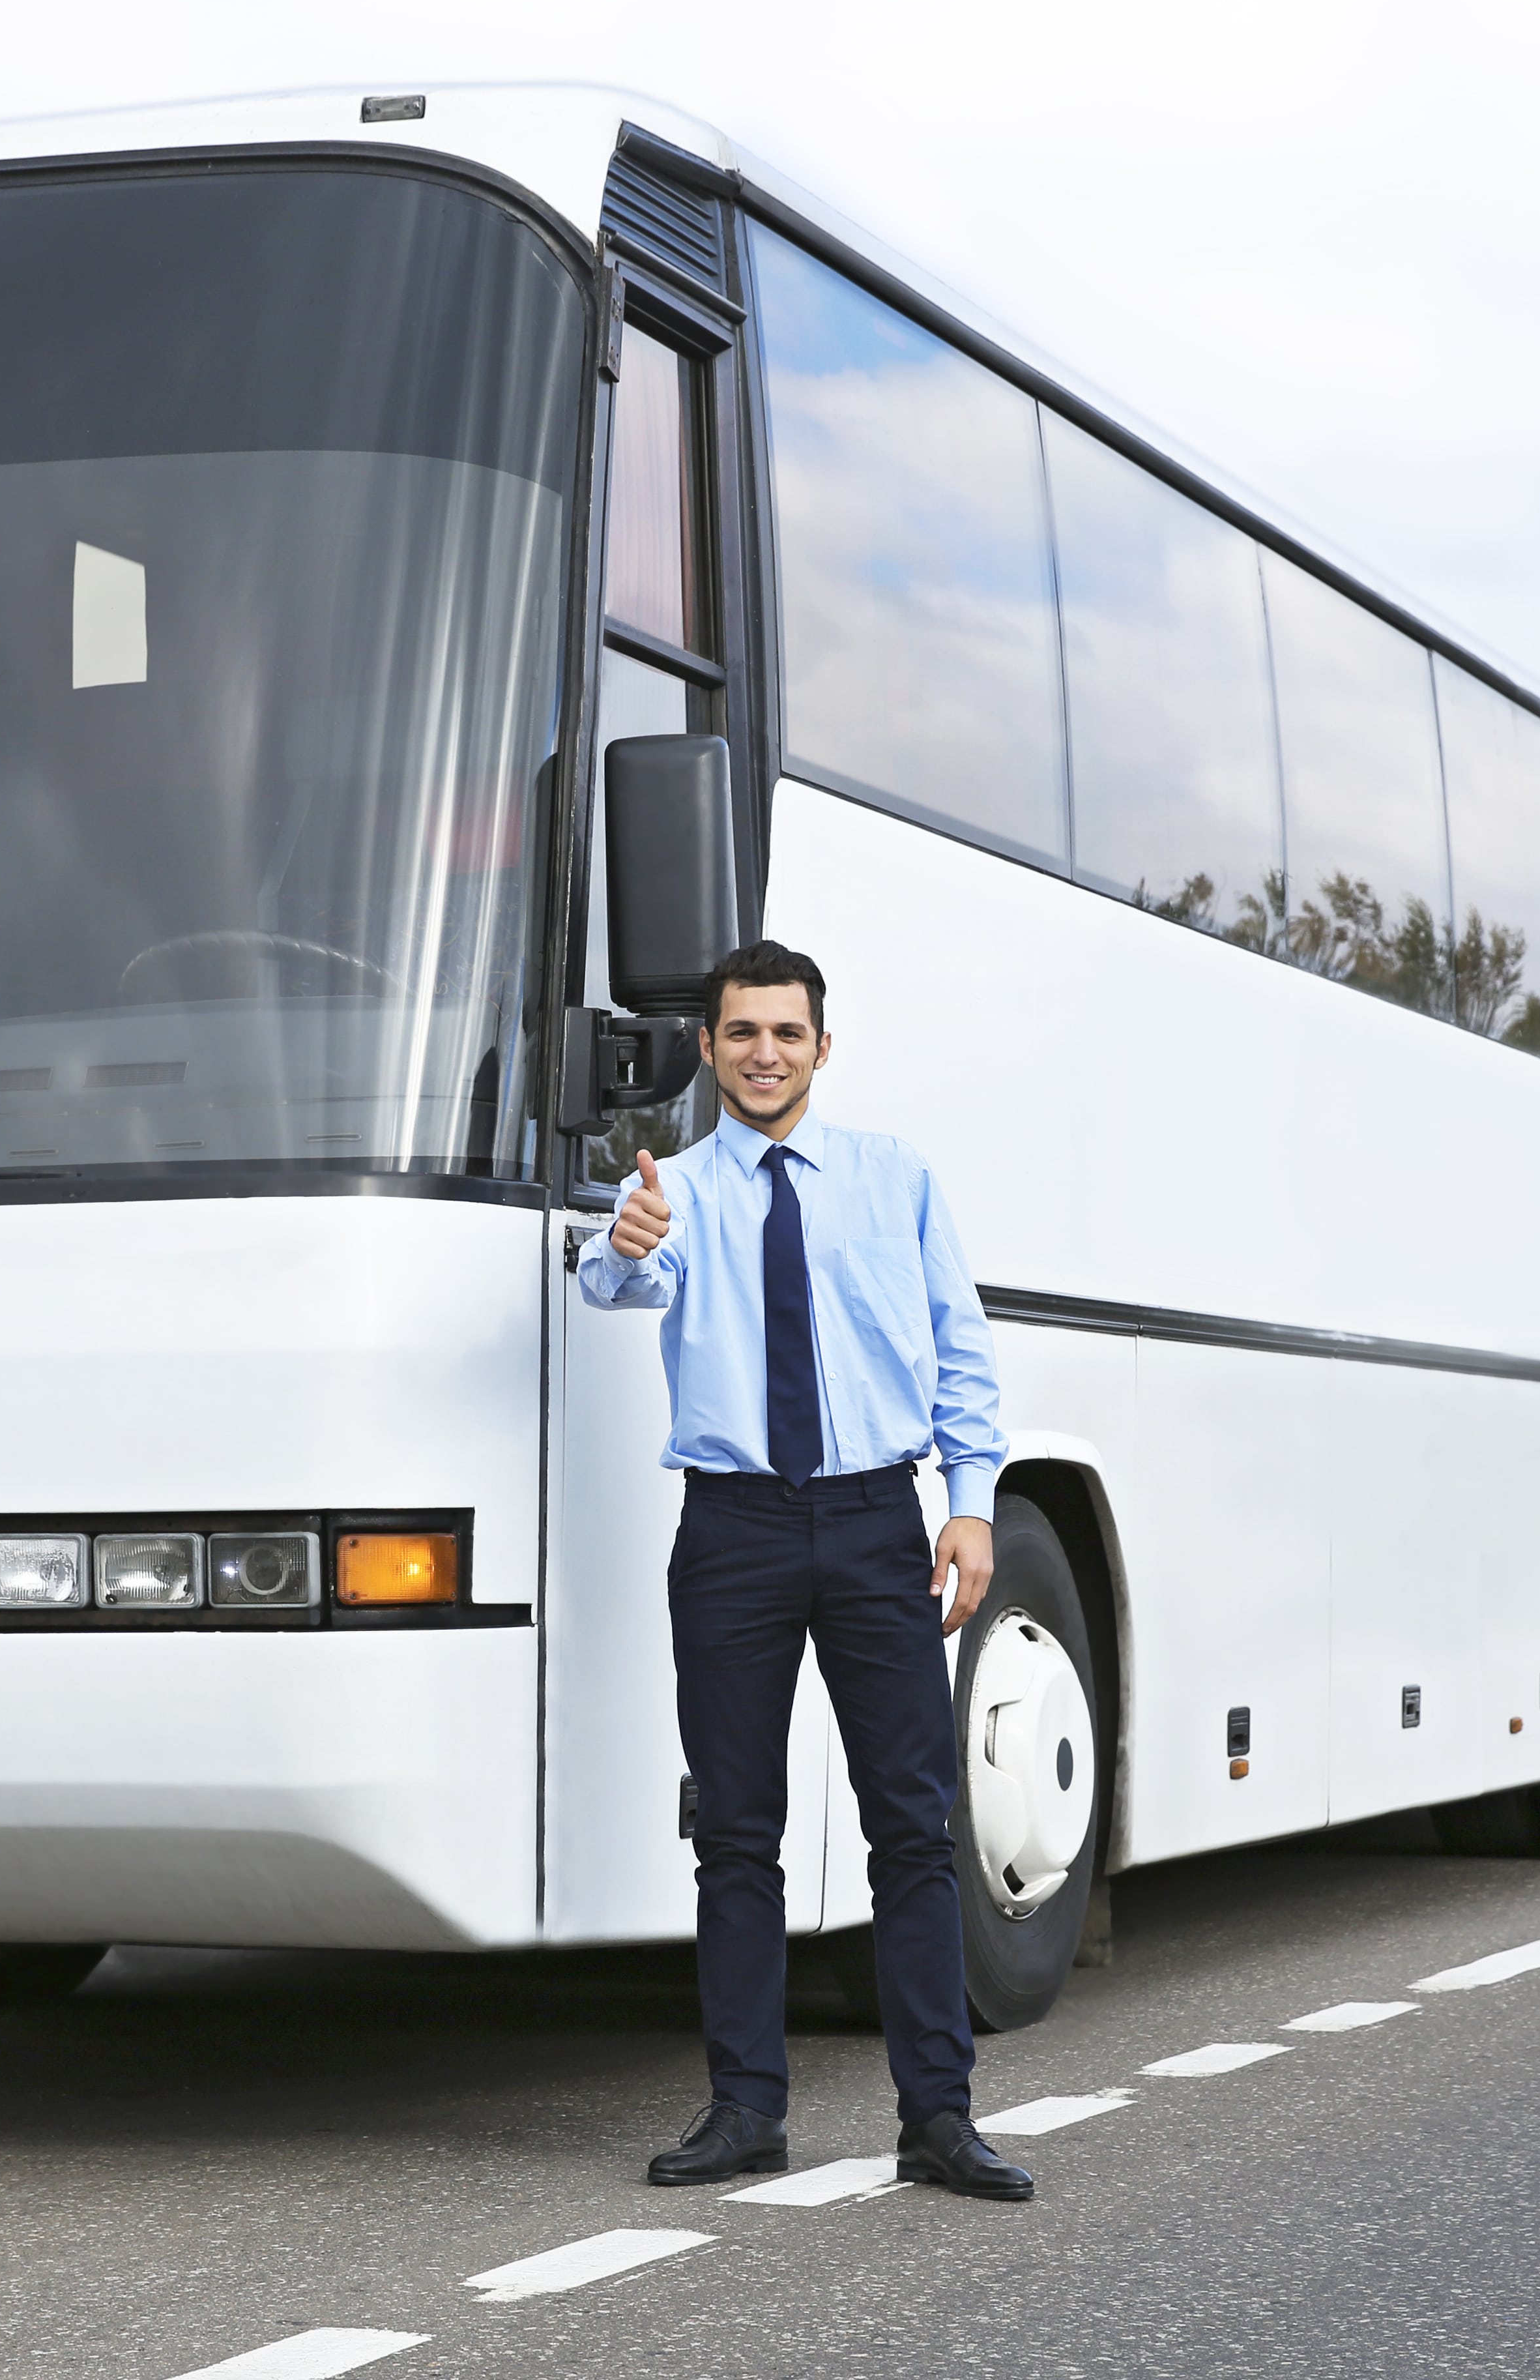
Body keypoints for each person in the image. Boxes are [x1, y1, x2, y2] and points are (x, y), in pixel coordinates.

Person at [575, 938, 1035, 2204]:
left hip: (878, 1520)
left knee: (914, 1825)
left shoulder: (897, 1181)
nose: (765, 1052)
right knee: (737, 1829)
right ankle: (746, 2111)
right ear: (711, 1051)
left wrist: (971, 1504)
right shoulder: (678, 1189)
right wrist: (623, 1239)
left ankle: (938, 2118)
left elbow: (960, 1351)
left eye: (787, 1032)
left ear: (821, 1048)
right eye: (741, 1034)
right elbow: (616, 1282)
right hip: (733, 1533)